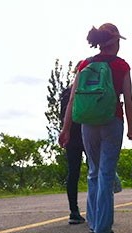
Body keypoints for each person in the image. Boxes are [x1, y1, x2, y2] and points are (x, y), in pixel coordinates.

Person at [59, 23, 132, 233]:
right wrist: (131, 128)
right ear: (116, 42)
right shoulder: (121, 66)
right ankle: (103, 228)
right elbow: (128, 98)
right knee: (106, 173)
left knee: (93, 171)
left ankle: (93, 223)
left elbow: (73, 99)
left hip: (87, 123)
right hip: (112, 121)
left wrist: (66, 129)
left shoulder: (84, 64)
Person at [59, 71, 85, 225]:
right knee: (95, 171)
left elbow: (62, 115)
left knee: (73, 172)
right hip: (88, 133)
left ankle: (73, 211)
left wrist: (65, 130)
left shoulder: (66, 93)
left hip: (71, 135)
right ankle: (97, 210)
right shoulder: (86, 91)